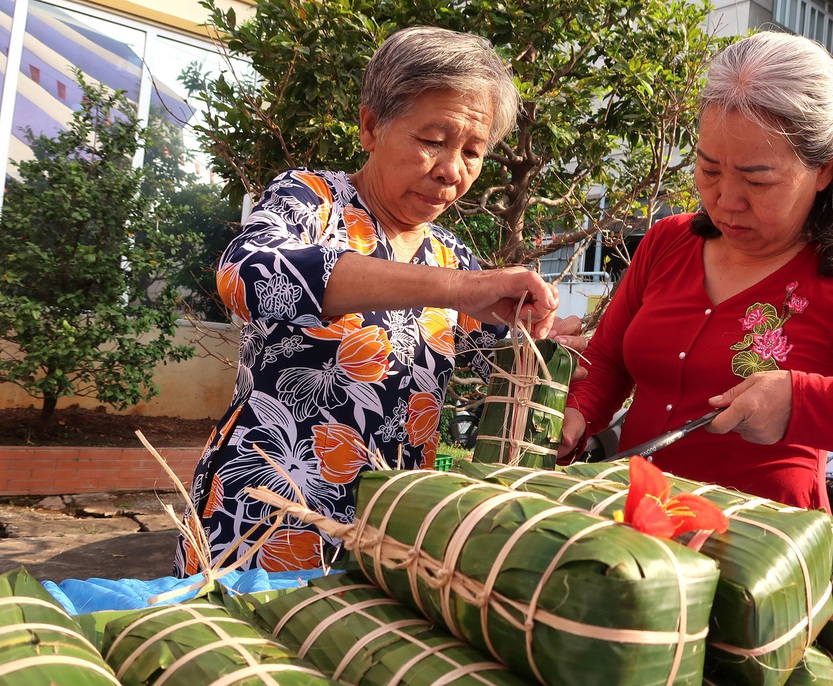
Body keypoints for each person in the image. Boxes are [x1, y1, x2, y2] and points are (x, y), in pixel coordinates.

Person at [177, 26, 580, 575]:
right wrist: (464, 288)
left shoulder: (451, 254)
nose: (451, 171)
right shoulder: (312, 201)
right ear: (371, 126)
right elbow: (247, 275)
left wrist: (546, 339)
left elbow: (494, 359)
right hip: (266, 514)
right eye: (433, 140)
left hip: (389, 530)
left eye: (472, 151)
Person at [556, 31, 833, 509]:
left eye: (757, 180)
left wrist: (800, 401)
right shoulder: (668, 242)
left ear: (824, 170)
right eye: (709, 171)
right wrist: (577, 412)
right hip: (637, 523)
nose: (726, 200)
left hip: (760, 546)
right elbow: (608, 360)